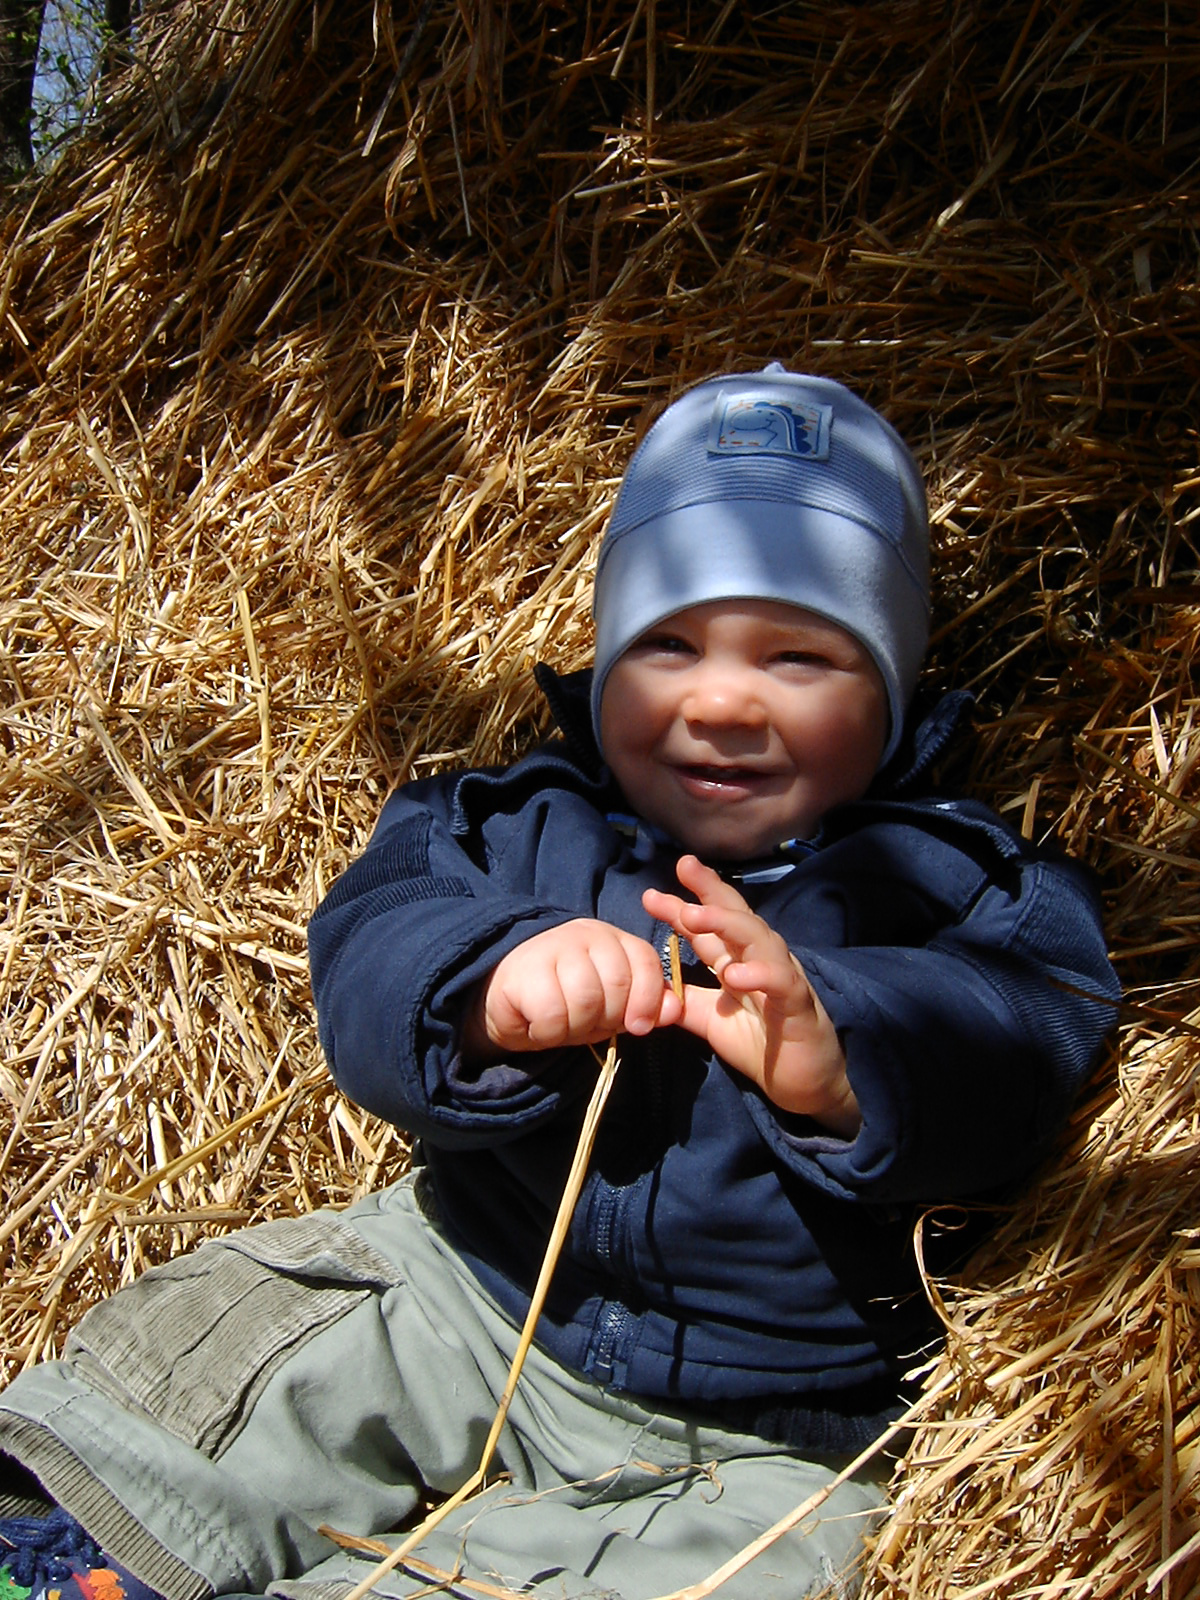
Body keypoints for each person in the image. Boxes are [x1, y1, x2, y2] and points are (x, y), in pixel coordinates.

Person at [0, 366, 1120, 1600]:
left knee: (766, 1569)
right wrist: (483, 980)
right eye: (669, 644)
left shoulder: (963, 882)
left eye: (800, 656)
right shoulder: (509, 821)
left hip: (770, 1425)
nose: (722, 699)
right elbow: (369, 943)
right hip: (468, 1280)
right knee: (252, 1353)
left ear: (892, 690)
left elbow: (1023, 1035)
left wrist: (842, 1051)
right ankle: (69, 1557)